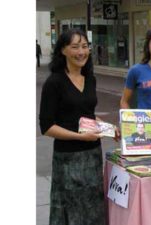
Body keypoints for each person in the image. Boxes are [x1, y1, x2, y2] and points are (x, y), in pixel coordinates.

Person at [39, 29, 115, 225]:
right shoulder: (54, 82)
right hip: (68, 159)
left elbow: (87, 114)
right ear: (63, 50)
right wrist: (79, 136)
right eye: (74, 47)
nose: (81, 52)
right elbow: (47, 127)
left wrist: (109, 127)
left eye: (84, 46)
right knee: (71, 208)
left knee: (93, 206)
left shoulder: (90, 78)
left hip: (92, 155)